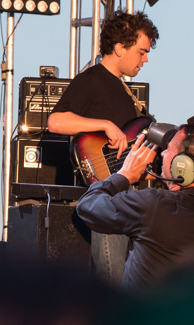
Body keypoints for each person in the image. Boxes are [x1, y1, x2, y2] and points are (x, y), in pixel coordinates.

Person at [46, 9, 159, 286]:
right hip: (107, 196)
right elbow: (55, 122)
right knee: (111, 277)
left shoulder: (123, 90)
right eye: (141, 52)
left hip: (126, 194)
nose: (145, 59)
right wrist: (105, 124)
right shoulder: (91, 79)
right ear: (120, 48)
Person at [75, 117, 194, 290]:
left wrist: (124, 175)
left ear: (183, 166)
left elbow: (89, 206)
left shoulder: (153, 205)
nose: (162, 154)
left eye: (168, 150)